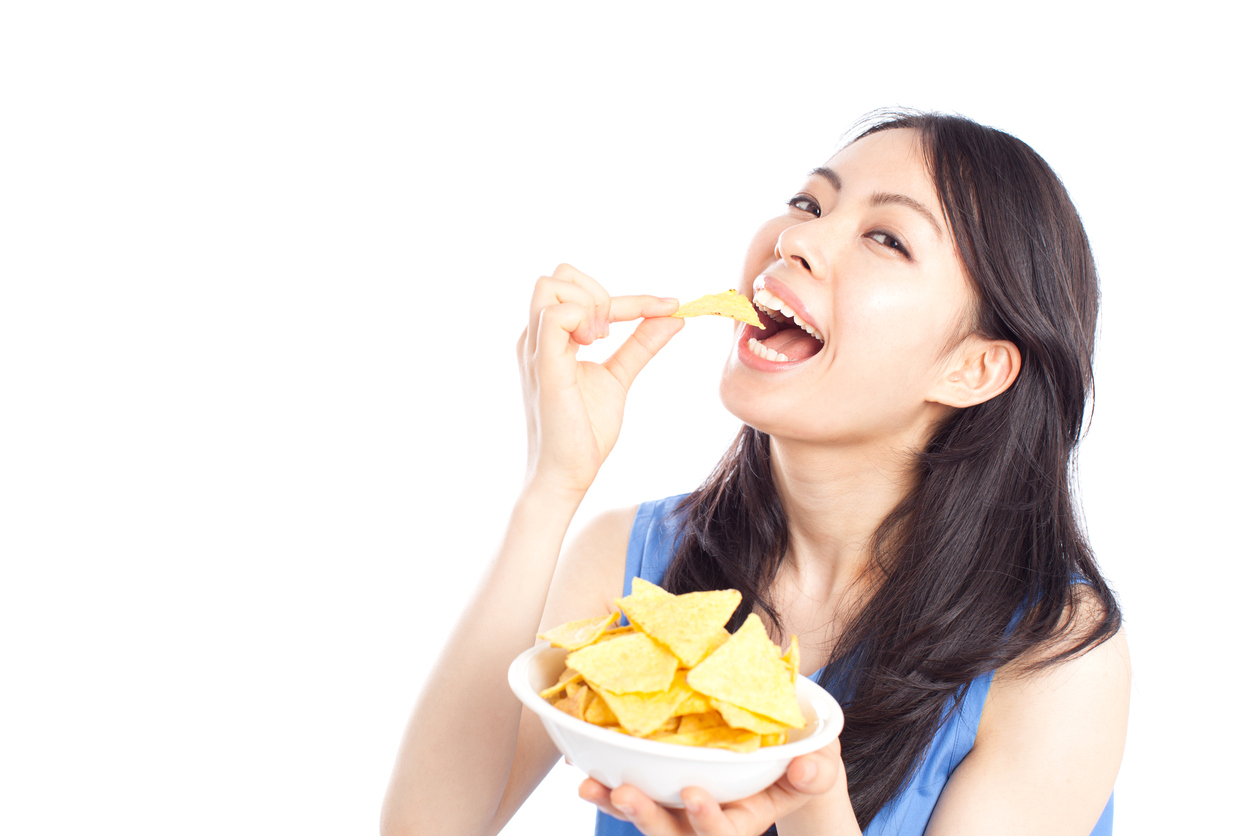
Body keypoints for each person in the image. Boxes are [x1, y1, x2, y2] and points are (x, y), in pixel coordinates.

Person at [381, 111, 1130, 836]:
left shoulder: (1056, 655)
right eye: (809, 202)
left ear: (973, 367)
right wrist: (554, 484)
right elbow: (425, 830)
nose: (797, 236)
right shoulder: (630, 562)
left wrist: (809, 797)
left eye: (885, 237)